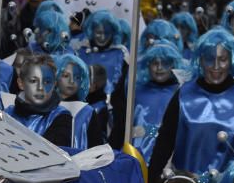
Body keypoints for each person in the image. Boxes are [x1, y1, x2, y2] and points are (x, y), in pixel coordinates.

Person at [147, 28, 234, 183]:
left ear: (232, 60)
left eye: (223, 59)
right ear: (200, 60)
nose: (216, 66)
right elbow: (164, 143)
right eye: (210, 59)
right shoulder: (184, 95)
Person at [78, 10, 128, 149]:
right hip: (85, 105)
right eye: (98, 32)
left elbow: (124, 87)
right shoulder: (82, 51)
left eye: (107, 33)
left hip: (112, 110)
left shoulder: (120, 53)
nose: (102, 37)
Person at [4, 53, 72, 147]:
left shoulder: (61, 116)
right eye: (33, 81)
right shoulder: (7, 114)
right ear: (21, 83)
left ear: (54, 85)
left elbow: (54, 156)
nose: (40, 87)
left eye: (47, 82)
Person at [132, 41, 183, 163]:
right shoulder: (137, 91)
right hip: (137, 153)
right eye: (155, 63)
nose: (159, 68)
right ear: (148, 65)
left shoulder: (179, 92)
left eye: (165, 63)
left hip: (167, 157)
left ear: (173, 65)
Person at [54, 53, 106, 149]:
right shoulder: (45, 108)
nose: (72, 81)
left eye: (77, 77)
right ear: (56, 77)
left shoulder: (87, 112)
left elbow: (97, 151)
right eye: (66, 75)